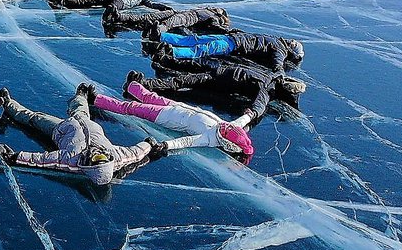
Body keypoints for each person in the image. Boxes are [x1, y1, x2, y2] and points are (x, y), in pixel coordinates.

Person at [0, 86, 155, 172]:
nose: (97, 154)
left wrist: (16, 157)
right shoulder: (117, 157)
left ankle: (9, 105)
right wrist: (149, 144)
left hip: (61, 129)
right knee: (80, 108)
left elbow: (43, 160)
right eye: (102, 157)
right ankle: (81, 95)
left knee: (35, 118)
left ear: (88, 164)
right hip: (84, 120)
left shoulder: (71, 159)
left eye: (95, 160)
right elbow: (135, 153)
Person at [91, 80, 254, 161]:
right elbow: (241, 121)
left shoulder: (210, 137)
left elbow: (186, 141)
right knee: (150, 96)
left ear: (226, 142)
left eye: (225, 130)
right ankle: (131, 85)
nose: (224, 125)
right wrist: (250, 115)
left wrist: (166, 145)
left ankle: (96, 99)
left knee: (131, 107)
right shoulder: (230, 128)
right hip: (178, 106)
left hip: (164, 116)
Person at [124, 66, 306, 125]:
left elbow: (260, 103)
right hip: (221, 77)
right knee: (183, 83)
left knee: (183, 83)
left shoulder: (269, 87)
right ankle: (144, 84)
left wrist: (250, 114)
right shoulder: (273, 80)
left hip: (219, 80)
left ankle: (143, 85)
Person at [156, 29, 304, 71]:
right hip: (232, 46)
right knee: (198, 51)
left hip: (230, 37)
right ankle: (171, 52)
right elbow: (277, 62)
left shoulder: (275, 39)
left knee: (194, 39)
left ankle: (162, 36)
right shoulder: (281, 49)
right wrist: (279, 72)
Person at [104, 5, 229, 38]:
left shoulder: (214, 17)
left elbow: (214, 26)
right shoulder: (207, 10)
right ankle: (118, 16)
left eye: (219, 9)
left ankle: (156, 30)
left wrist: (227, 31)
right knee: (147, 16)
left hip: (187, 18)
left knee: (167, 24)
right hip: (177, 12)